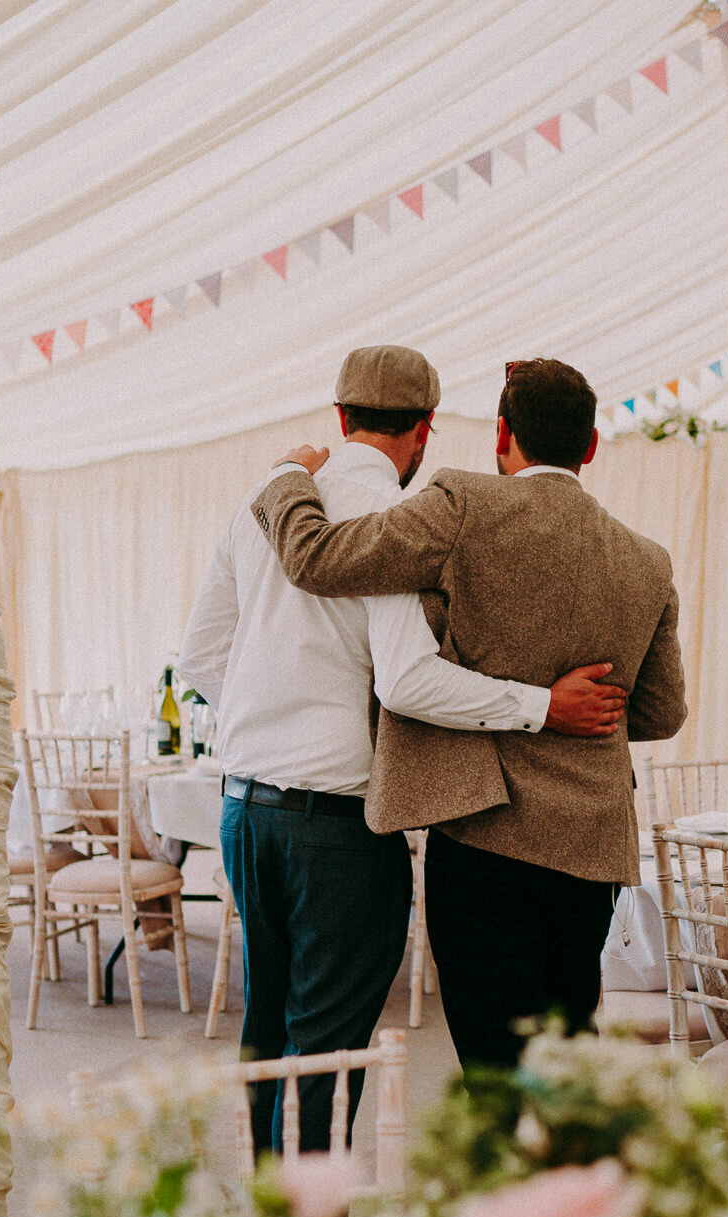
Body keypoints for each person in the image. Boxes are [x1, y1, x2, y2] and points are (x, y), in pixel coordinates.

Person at [179, 344, 626, 1151]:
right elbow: (409, 681)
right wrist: (542, 706)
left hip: (244, 810)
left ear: (341, 417)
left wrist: (269, 710)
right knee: (324, 1049)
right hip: (334, 829)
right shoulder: (395, 519)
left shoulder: (270, 495)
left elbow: (202, 658)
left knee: (266, 1030)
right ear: (424, 430)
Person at [249, 357, 686, 1072]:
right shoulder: (647, 560)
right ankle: (567, 1182)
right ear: (593, 444)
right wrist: (572, 708)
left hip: (487, 834)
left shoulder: (460, 504)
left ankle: (510, 1184)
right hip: (591, 844)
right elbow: (661, 711)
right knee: (567, 1059)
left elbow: (318, 560)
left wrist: (287, 478)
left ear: (501, 435)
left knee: (493, 1066)